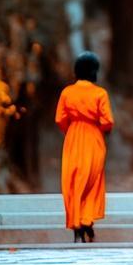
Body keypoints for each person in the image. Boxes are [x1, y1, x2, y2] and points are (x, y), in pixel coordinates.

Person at [55, 51, 115, 242]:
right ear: (94, 71)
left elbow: (60, 119)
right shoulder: (99, 93)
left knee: (73, 180)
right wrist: (101, 130)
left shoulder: (67, 92)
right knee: (91, 180)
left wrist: (72, 129)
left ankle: (76, 223)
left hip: (73, 137)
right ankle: (86, 220)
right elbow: (107, 121)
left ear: (76, 71)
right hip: (93, 138)